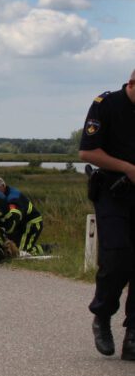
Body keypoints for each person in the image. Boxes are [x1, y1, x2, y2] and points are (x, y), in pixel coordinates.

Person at [79, 72, 135, 360]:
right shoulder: (106, 104)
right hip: (113, 192)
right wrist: (127, 168)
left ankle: (133, 334)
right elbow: (88, 152)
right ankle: (102, 316)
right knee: (116, 257)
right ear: (132, 84)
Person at [0, 176, 49, 256]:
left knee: (22, 252)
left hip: (30, 223)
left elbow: (14, 217)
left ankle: (48, 248)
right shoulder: (1, 195)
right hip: (19, 224)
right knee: (12, 249)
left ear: (3, 186)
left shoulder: (13, 197)